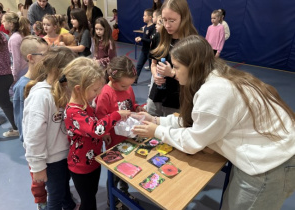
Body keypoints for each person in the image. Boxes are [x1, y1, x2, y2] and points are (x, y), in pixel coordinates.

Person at [133, 35, 295, 210]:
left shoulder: (215, 91)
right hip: (271, 153)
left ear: (193, 67)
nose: (174, 72)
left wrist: (156, 130)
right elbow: (197, 122)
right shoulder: (217, 75)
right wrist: (157, 120)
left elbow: (192, 141)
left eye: (177, 67)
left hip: (272, 163)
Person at [54, 57, 131, 210]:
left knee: (92, 194)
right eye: (95, 90)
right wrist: (116, 115)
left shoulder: (85, 104)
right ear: (78, 88)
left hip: (93, 161)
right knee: (88, 202)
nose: (98, 94)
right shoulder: (73, 111)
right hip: (81, 167)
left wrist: (104, 134)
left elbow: (92, 127)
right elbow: (96, 129)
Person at [23, 47, 77, 210]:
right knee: (55, 197)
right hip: (50, 160)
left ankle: (69, 205)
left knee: (63, 186)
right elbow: (33, 135)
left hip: (62, 154)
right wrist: (37, 167)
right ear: (59, 71)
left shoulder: (63, 89)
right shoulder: (41, 96)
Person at [95, 56, 146, 209]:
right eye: (124, 86)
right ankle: (113, 199)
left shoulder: (128, 88)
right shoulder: (105, 93)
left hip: (128, 137)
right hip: (113, 141)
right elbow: (100, 117)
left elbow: (130, 105)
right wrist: (105, 134)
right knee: (115, 172)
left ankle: (123, 192)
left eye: (129, 85)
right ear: (111, 78)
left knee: (128, 167)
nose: (127, 88)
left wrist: (137, 107)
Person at [13, 35, 48, 209]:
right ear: (31, 58)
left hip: (50, 140)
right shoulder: (22, 86)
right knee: (38, 177)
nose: (48, 58)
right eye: (44, 55)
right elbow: (22, 121)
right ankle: (41, 201)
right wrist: (29, 145)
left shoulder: (46, 79)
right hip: (34, 144)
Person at [147, 0, 198, 116]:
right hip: (156, 96)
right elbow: (153, 63)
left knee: (170, 129)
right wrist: (155, 74)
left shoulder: (192, 43)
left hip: (177, 100)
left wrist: (172, 73)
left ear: (184, 18)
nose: (167, 25)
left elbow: (194, 77)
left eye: (172, 20)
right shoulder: (159, 37)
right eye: (164, 20)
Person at [0, 15, 18, 137]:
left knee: (5, 104)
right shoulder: (3, 36)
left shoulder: (3, 36)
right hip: (7, 73)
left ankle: (17, 128)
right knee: (7, 103)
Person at [2, 12, 29, 82]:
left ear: (11, 23)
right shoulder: (19, 35)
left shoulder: (14, 39)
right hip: (25, 68)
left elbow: (15, 60)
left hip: (20, 71)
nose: (2, 23)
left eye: (4, 21)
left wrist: (14, 75)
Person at [134, 8, 155, 84]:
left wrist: (141, 39)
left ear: (150, 17)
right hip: (144, 50)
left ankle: (153, 82)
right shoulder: (146, 27)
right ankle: (135, 80)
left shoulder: (153, 28)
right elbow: (145, 39)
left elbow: (151, 41)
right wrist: (140, 39)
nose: (143, 17)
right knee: (139, 65)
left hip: (150, 51)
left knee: (152, 67)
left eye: (144, 15)